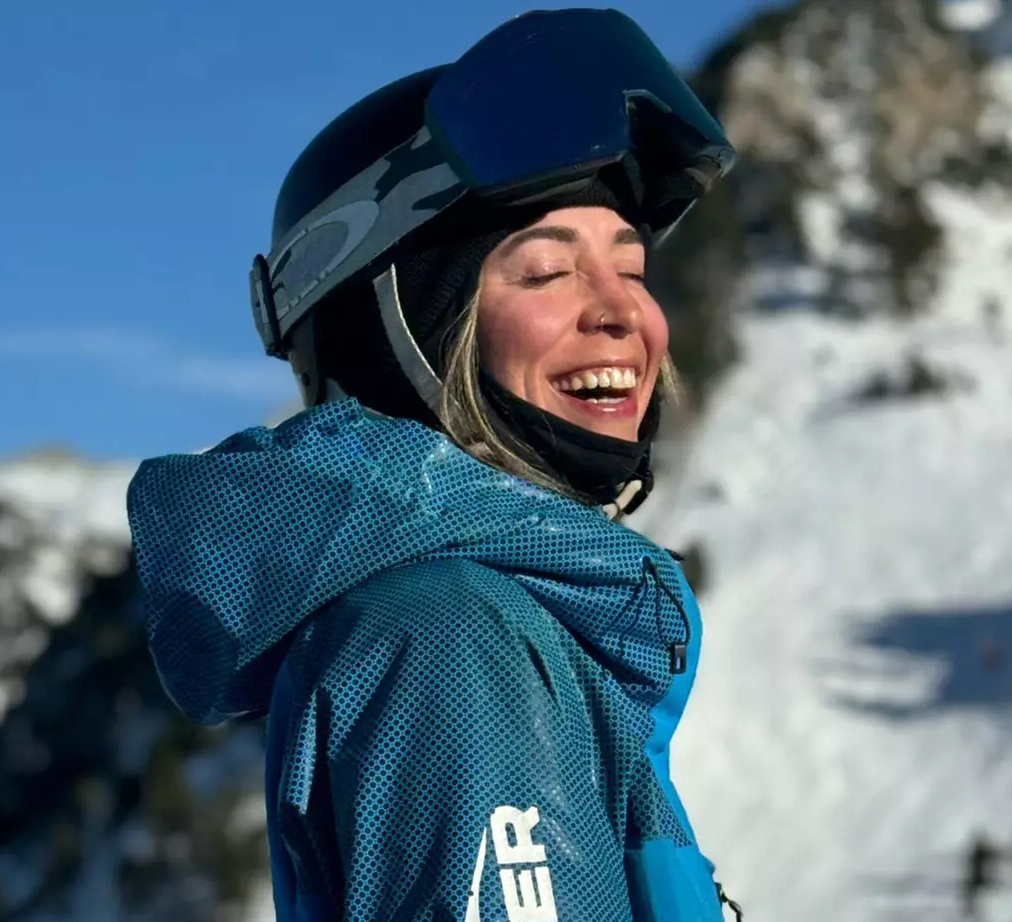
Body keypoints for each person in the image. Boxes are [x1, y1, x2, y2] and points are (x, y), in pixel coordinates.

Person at [127, 9, 741, 920]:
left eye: (634, 271)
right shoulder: (456, 638)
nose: (624, 315)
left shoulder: (498, 616)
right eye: (544, 273)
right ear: (400, 332)